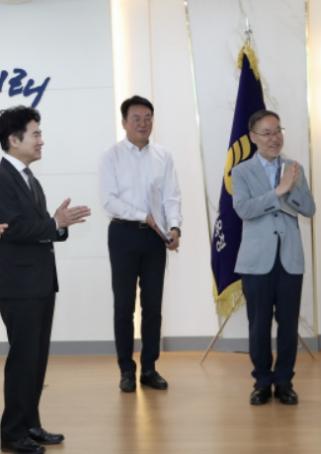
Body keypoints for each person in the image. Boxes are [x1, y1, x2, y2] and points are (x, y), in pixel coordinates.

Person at [0, 106, 91, 453]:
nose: (41, 140)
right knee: (24, 358)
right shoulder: (2, 177)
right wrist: (54, 224)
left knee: (36, 358)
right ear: (13, 139)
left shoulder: (30, 179)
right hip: (17, 285)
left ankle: (30, 423)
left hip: (39, 282)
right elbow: (12, 229)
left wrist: (58, 226)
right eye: (35, 134)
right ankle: (12, 432)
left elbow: (38, 230)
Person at [98, 95, 182, 393]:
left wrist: (174, 227)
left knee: (153, 306)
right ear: (124, 122)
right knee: (124, 306)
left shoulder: (163, 156)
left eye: (148, 118)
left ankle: (149, 368)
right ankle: (126, 369)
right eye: (136, 118)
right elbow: (108, 201)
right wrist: (141, 215)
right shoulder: (111, 156)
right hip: (123, 234)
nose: (143, 123)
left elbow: (171, 196)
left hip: (155, 237)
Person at [232, 109, 315, 406]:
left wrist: (291, 189)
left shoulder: (294, 168)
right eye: (267, 133)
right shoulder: (241, 172)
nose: (274, 138)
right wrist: (278, 192)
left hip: (289, 257)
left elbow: (309, 209)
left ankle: (284, 382)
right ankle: (262, 382)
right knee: (259, 325)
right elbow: (243, 209)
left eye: (278, 131)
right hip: (256, 261)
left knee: (289, 325)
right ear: (253, 137)